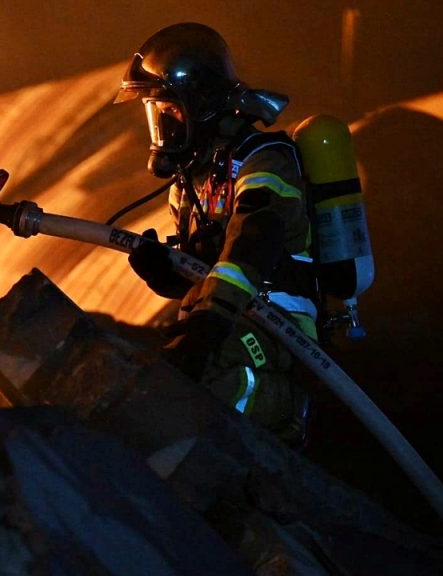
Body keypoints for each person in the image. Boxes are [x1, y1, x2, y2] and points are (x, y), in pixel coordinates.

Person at [116, 22, 315, 445]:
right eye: (157, 114)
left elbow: (253, 240)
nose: (162, 125)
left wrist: (209, 323)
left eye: (168, 111)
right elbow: (207, 270)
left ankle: (287, 408)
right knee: (156, 374)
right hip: (225, 318)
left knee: (202, 383)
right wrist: (166, 276)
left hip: (279, 327)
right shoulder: (190, 184)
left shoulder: (265, 160)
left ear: (201, 105)